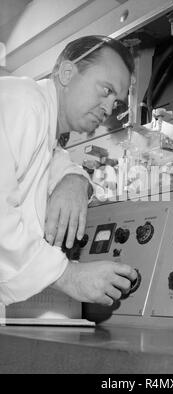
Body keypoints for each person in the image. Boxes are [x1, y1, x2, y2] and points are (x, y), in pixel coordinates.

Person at [0, 35, 137, 306]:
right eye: (106, 90)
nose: (109, 108)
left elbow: (56, 159)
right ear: (66, 73)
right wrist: (69, 275)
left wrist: (75, 178)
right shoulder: (22, 101)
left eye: (117, 102)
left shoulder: (43, 126)